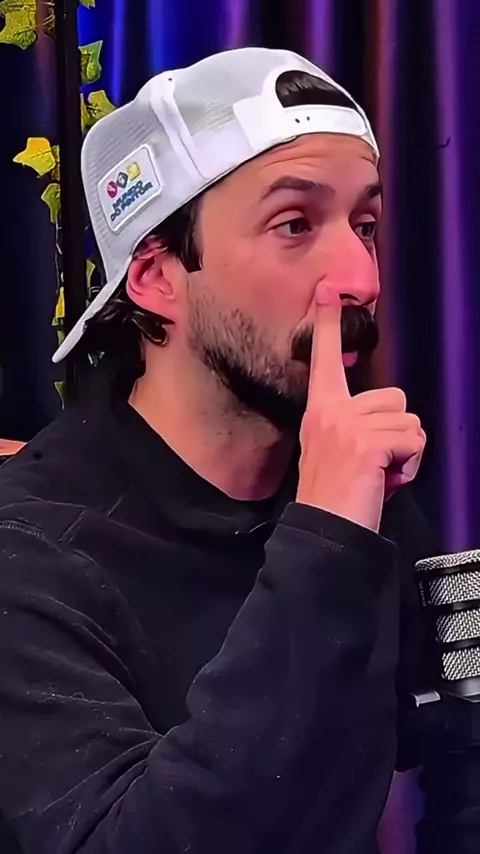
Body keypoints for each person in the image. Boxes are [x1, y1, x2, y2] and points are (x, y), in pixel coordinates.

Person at [0, 47, 468, 854]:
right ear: (156, 276)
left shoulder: (360, 500)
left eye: (364, 226)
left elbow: (468, 747)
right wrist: (327, 539)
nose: (359, 277)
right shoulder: (31, 557)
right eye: (295, 226)